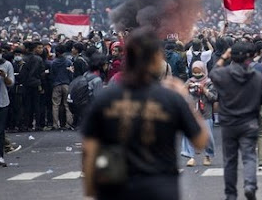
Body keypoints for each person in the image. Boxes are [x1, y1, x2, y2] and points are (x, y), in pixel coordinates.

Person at [81, 28, 209, 200]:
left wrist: (91, 190)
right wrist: (185, 98)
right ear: (157, 58)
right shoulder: (170, 98)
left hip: (116, 188)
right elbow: (200, 141)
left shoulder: (105, 98)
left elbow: (89, 148)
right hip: (159, 187)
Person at [210, 42, 262, 200]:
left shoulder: (223, 74)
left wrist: (224, 56)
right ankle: (249, 185)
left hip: (229, 123)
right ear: (250, 57)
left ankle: (230, 194)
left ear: (231, 56)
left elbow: (213, 73)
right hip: (249, 122)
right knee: (249, 156)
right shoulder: (258, 78)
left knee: (230, 160)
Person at [181, 61, 217, 167]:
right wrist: (187, 87)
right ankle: (190, 157)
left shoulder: (209, 82)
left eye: (199, 72)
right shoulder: (189, 81)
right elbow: (181, 93)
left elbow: (214, 97)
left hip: (206, 112)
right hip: (192, 112)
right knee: (188, 134)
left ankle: (208, 155)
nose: (197, 74)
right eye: (194, 72)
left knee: (208, 136)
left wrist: (204, 90)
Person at [49, 46, 74, 130]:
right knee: (67, 105)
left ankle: (55, 124)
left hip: (56, 85)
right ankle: (68, 123)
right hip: (66, 84)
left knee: (55, 105)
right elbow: (71, 74)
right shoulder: (68, 62)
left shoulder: (53, 62)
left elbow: (52, 74)